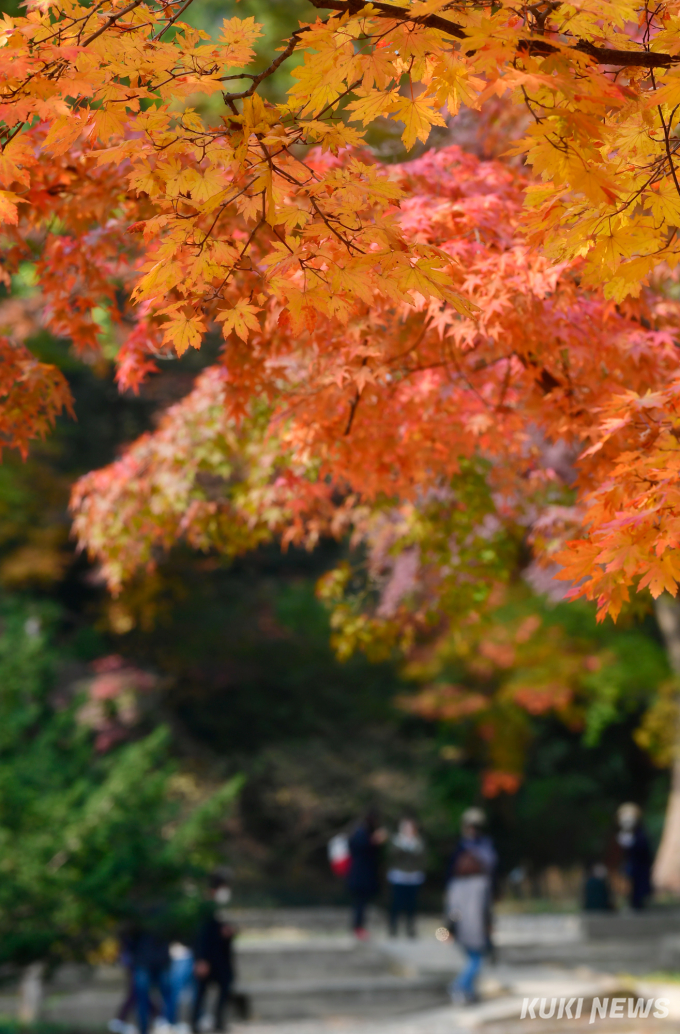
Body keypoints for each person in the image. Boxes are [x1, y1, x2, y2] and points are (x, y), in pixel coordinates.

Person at [445, 808, 495, 1005]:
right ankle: (459, 986)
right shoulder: (482, 884)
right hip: (476, 929)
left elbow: (450, 911)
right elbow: (486, 911)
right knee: (476, 961)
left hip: (461, 929)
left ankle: (470, 993)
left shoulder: (454, 885)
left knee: (471, 959)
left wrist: (447, 931)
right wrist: (490, 926)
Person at [192, 870, 237, 1033]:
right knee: (201, 992)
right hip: (208, 957)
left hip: (222, 958)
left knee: (224, 988)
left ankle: (218, 1021)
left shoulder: (221, 906)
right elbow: (200, 935)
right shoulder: (204, 907)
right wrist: (201, 959)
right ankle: (195, 1022)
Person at [346, 809, 387, 939]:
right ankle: (358, 928)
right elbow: (361, 848)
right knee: (360, 904)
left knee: (362, 904)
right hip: (359, 876)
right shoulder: (361, 833)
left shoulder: (361, 832)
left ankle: (359, 927)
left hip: (363, 876)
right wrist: (374, 841)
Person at [129, 921, 172, 1034]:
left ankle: (165, 1024)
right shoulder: (137, 915)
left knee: (165, 996)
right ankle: (145, 1028)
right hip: (145, 961)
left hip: (157, 961)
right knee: (143, 998)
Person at [387, 816, 426, 938]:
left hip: (413, 876)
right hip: (399, 875)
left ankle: (410, 928)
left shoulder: (419, 842)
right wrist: (403, 845)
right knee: (396, 903)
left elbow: (422, 857)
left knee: (412, 904)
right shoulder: (396, 841)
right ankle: (393, 927)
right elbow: (392, 855)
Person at [617, 802, 652, 910]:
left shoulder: (640, 834)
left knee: (637, 888)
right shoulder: (619, 835)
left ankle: (637, 903)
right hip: (625, 867)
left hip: (638, 867)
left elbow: (644, 851)